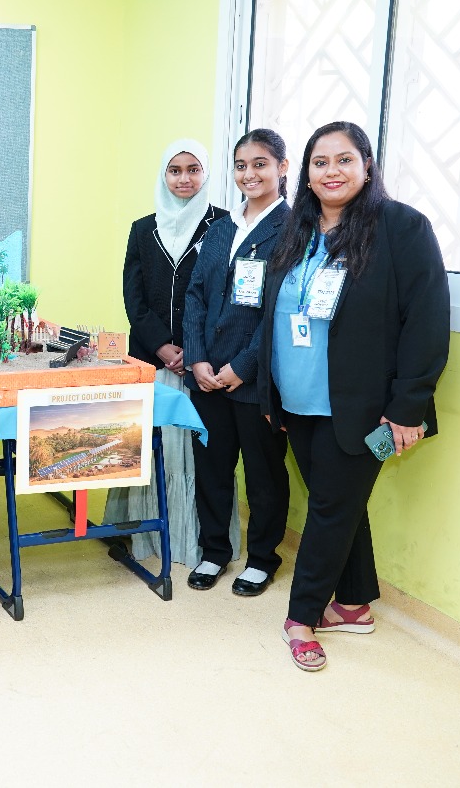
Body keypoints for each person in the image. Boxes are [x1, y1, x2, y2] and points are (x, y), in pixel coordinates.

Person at [259, 121, 449, 671]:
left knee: (328, 509)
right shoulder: (296, 229)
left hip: (367, 408)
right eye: (320, 162)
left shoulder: (401, 227)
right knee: (339, 504)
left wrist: (407, 408)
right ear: (306, 174)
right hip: (298, 401)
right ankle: (355, 603)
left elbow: (427, 322)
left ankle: (301, 617)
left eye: (345, 160)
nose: (332, 171)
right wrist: (271, 395)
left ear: (367, 166)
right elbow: (274, 315)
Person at [107, 139, 235, 569]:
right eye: (175, 170)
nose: (184, 179)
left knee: (200, 456)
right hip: (153, 361)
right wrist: (162, 346)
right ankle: (143, 535)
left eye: (193, 169)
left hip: (205, 366)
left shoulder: (225, 225)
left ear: (206, 174)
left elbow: (226, 297)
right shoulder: (143, 229)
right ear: (163, 175)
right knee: (152, 449)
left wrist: (194, 351)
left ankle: (198, 541)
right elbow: (134, 298)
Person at [182, 129, 291, 595]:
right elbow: (195, 296)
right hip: (208, 378)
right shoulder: (222, 227)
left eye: (260, 164)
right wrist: (197, 360)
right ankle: (214, 551)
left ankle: (262, 558)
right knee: (212, 470)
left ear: (282, 168)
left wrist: (243, 367)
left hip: (256, 380)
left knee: (264, 475)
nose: (249, 174)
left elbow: (283, 310)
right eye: (241, 166)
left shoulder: (294, 229)